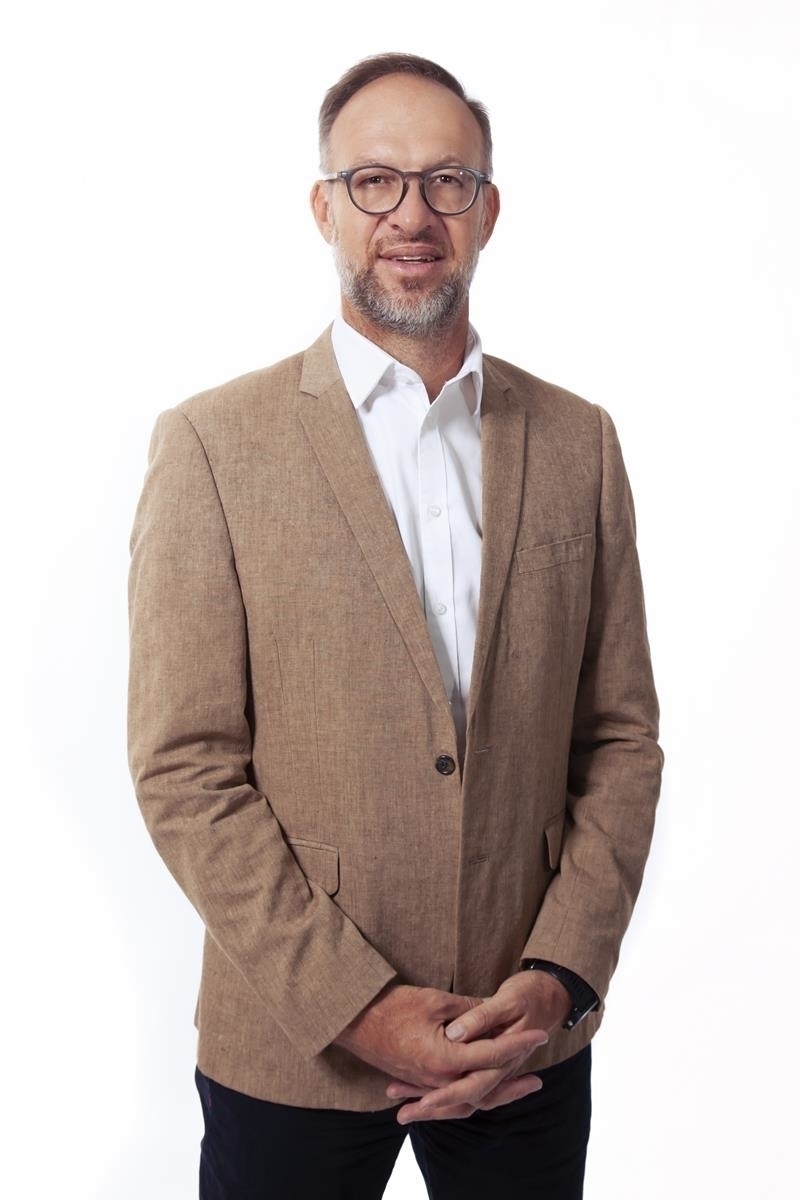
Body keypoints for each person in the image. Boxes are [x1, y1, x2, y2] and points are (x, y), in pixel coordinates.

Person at [128, 52, 663, 1200]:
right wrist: (357, 1006)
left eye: (445, 182)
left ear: (487, 211)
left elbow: (620, 738)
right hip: (295, 1046)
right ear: (323, 208)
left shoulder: (579, 443)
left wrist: (560, 976)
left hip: (521, 1041)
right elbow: (183, 768)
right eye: (373, 181)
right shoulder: (213, 446)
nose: (410, 215)